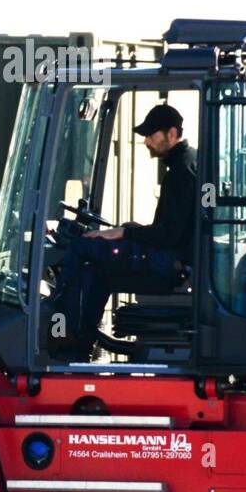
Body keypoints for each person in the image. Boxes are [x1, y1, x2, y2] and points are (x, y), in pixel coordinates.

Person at [50, 103, 196, 359]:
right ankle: (81, 339)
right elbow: (173, 229)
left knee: (82, 247)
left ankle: (62, 332)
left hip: (170, 263)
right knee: (96, 270)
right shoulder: (187, 163)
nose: (147, 142)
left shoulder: (181, 172)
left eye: (152, 136)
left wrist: (123, 234)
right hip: (174, 258)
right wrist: (136, 229)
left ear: (172, 134)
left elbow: (169, 237)